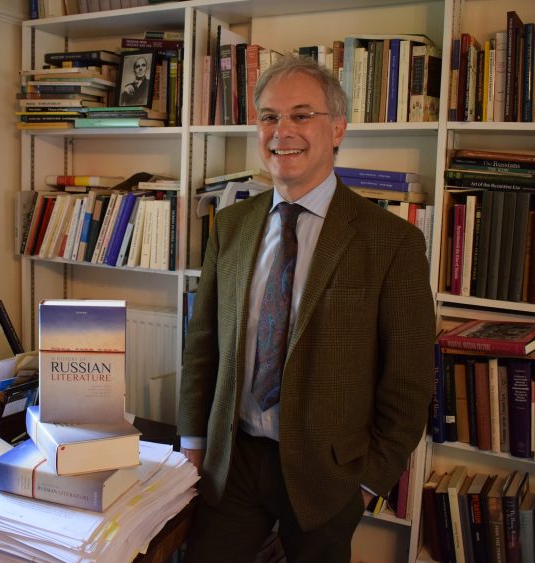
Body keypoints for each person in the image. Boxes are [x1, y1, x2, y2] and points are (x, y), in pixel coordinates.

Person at [178, 55, 435, 563]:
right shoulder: (230, 227)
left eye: (301, 115)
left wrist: (368, 481)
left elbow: (408, 381)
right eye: (270, 117)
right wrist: (193, 443)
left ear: (337, 128)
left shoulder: (391, 243)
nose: (282, 131)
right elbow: (202, 345)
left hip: (329, 473)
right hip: (234, 459)